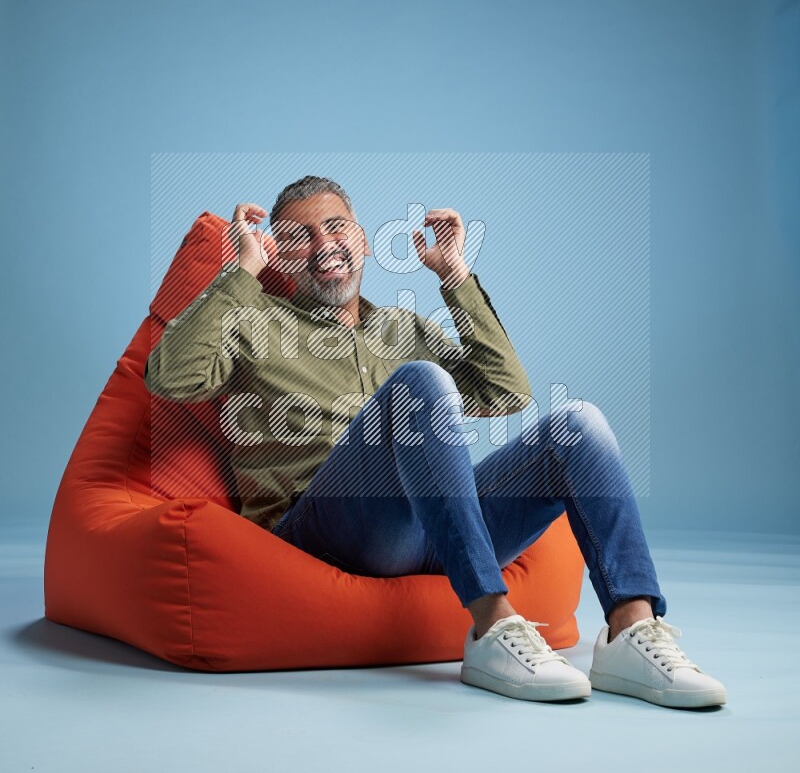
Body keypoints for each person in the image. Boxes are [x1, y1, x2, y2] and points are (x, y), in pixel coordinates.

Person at [145, 175, 727, 710]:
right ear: (280, 253)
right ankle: (492, 625)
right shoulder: (253, 322)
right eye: (300, 235)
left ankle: (630, 628)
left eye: (336, 226)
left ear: (365, 242)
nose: (324, 243)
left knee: (580, 424)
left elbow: (505, 392)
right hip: (325, 528)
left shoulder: (402, 328)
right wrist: (242, 271)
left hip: (435, 531)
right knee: (421, 382)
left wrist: (455, 278)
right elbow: (170, 377)